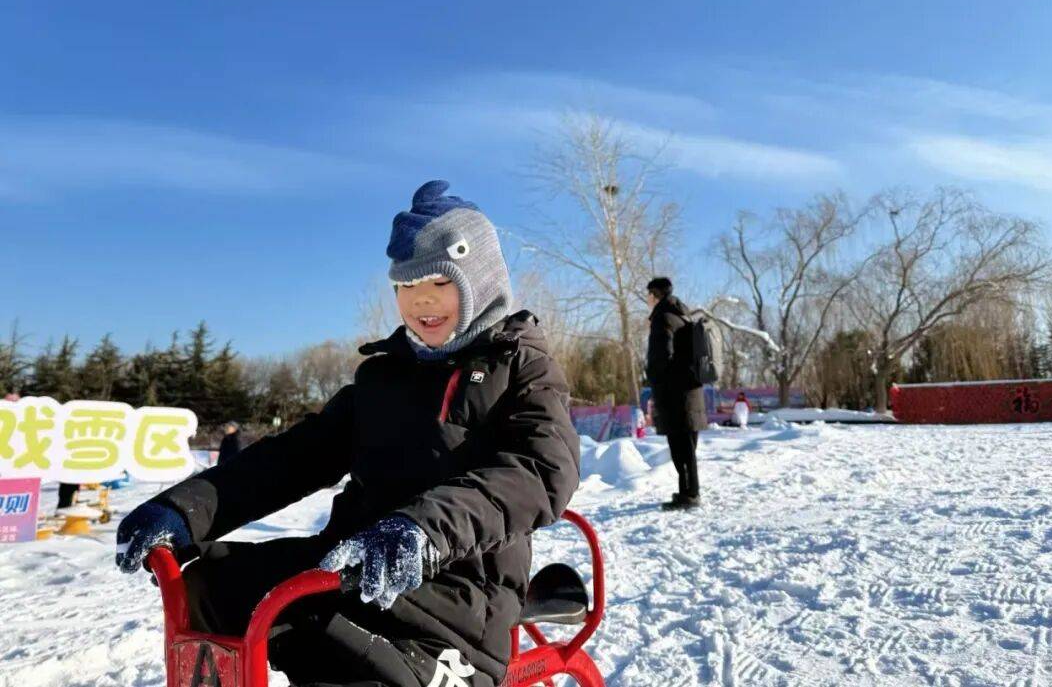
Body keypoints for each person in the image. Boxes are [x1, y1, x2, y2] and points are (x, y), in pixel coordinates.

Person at [113, 180, 580, 687]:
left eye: (438, 284)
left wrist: (423, 530)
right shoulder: (384, 375)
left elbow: (541, 469)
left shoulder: (519, 366)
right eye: (405, 286)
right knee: (211, 587)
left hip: (455, 597)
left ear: (480, 282)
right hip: (350, 569)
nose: (420, 301)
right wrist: (186, 508)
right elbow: (296, 455)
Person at [645, 277, 706, 510]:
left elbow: (661, 358)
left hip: (675, 394)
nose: (647, 301)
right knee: (688, 445)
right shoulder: (682, 314)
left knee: (680, 446)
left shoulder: (662, 318)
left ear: (654, 294)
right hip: (691, 390)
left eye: (648, 296)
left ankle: (690, 494)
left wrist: (654, 382)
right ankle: (689, 491)